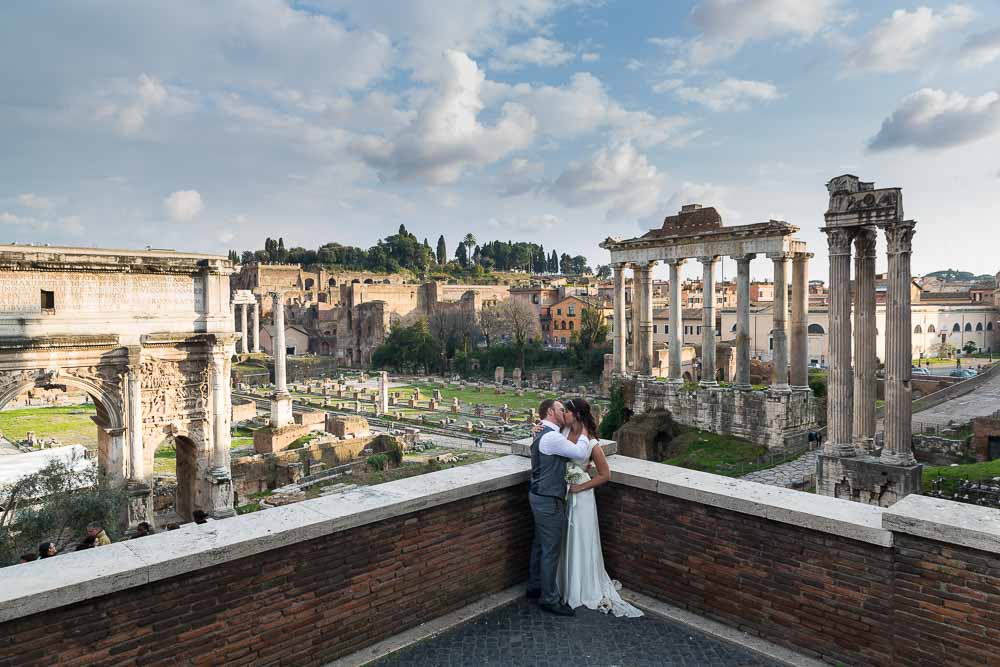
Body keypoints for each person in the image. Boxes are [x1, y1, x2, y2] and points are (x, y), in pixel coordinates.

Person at [556, 398, 642, 618]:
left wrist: (580, 487)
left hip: (581, 496)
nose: (563, 414)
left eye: (566, 411)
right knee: (565, 536)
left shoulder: (592, 442)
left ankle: (581, 586)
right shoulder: (564, 430)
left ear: (576, 414)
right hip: (564, 491)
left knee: (580, 537)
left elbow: (605, 475)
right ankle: (565, 583)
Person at [526, 399, 591, 617]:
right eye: (561, 409)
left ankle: (535, 586)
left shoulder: (543, 431)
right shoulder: (552, 436)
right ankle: (549, 599)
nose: (565, 412)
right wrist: (584, 429)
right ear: (550, 412)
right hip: (548, 498)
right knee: (550, 550)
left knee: (539, 544)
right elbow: (581, 453)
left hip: (537, 494)